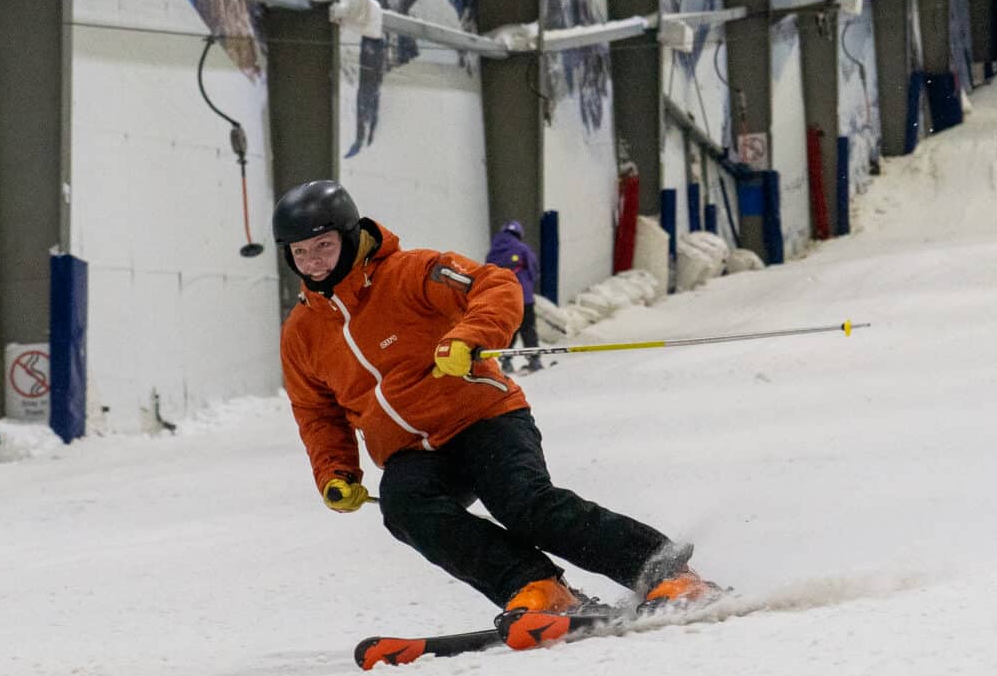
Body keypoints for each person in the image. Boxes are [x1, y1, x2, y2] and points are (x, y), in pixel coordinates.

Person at [274, 179, 715, 648]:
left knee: (521, 502)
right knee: (405, 508)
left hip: (484, 416)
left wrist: (469, 335)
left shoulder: (412, 272)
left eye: (323, 246)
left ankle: (671, 575)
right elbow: (316, 411)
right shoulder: (302, 333)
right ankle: (539, 588)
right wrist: (335, 472)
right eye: (300, 253)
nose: (314, 262)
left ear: (350, 234)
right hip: (411, 450)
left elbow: (494, 283)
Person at [485, 219, 543, 373]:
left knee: (508, 330)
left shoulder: (493, 251)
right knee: (528, 328)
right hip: (523, 298)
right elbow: (534, 271)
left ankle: (506, 362)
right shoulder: (522, 249)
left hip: (502, 299)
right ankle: (534, 360)